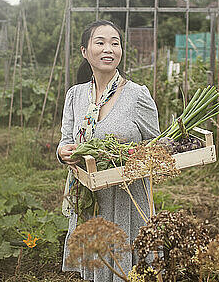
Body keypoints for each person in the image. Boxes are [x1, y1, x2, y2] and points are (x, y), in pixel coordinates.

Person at [56, 20, 160, 282]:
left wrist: (130, 159)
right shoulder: (75, 95)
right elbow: (66, 139)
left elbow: (157, 145)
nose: (109, 49)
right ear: (84, 51)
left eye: (115, 43)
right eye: (100, 42)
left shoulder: (138, 95)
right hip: (90, 197)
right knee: (97, 264)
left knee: (128, 266)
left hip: (127, 198)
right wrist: (63, 152)